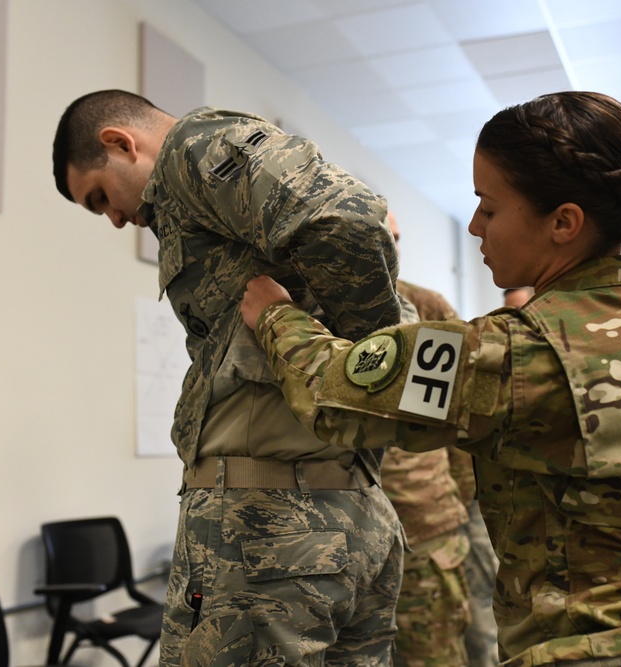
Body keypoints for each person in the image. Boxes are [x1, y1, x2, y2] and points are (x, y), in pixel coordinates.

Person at [241, 91, 621, 665]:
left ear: (563, 222)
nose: (476, 226)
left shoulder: (518, 352)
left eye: (489, 206)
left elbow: (332, 392)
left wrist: (272, 312)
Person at [52, 89, 407, 666]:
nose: (116, 219)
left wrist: (366, 370)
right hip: (337, 509)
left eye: (100, 198)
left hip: (268, 525)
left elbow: (344, 218)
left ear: (119, 143)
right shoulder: (195, 193)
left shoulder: (192, 151)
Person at [383, 212, 475, 666]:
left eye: (397, 237)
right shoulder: (316, 312)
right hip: (343, 535)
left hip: (424, 525)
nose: (391, 247)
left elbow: (461, 419)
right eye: (380, 235)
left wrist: (456, 496)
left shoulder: (426, 309)